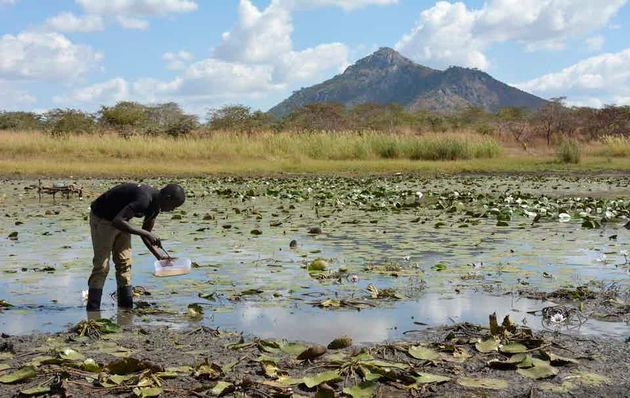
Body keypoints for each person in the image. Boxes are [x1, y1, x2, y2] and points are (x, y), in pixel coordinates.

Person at [86, 183, 185, 311]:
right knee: (102, 266)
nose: (172, 210)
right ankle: (93, 312)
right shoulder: (143, 199)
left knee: (124, 263)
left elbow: (145, 234)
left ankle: (126, 310)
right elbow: (118, 221)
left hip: (122, 221)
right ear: (167, 197)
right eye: (174, 206)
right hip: (103, 218)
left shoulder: (156, 206)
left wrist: (159, 256)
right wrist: (147, 233)